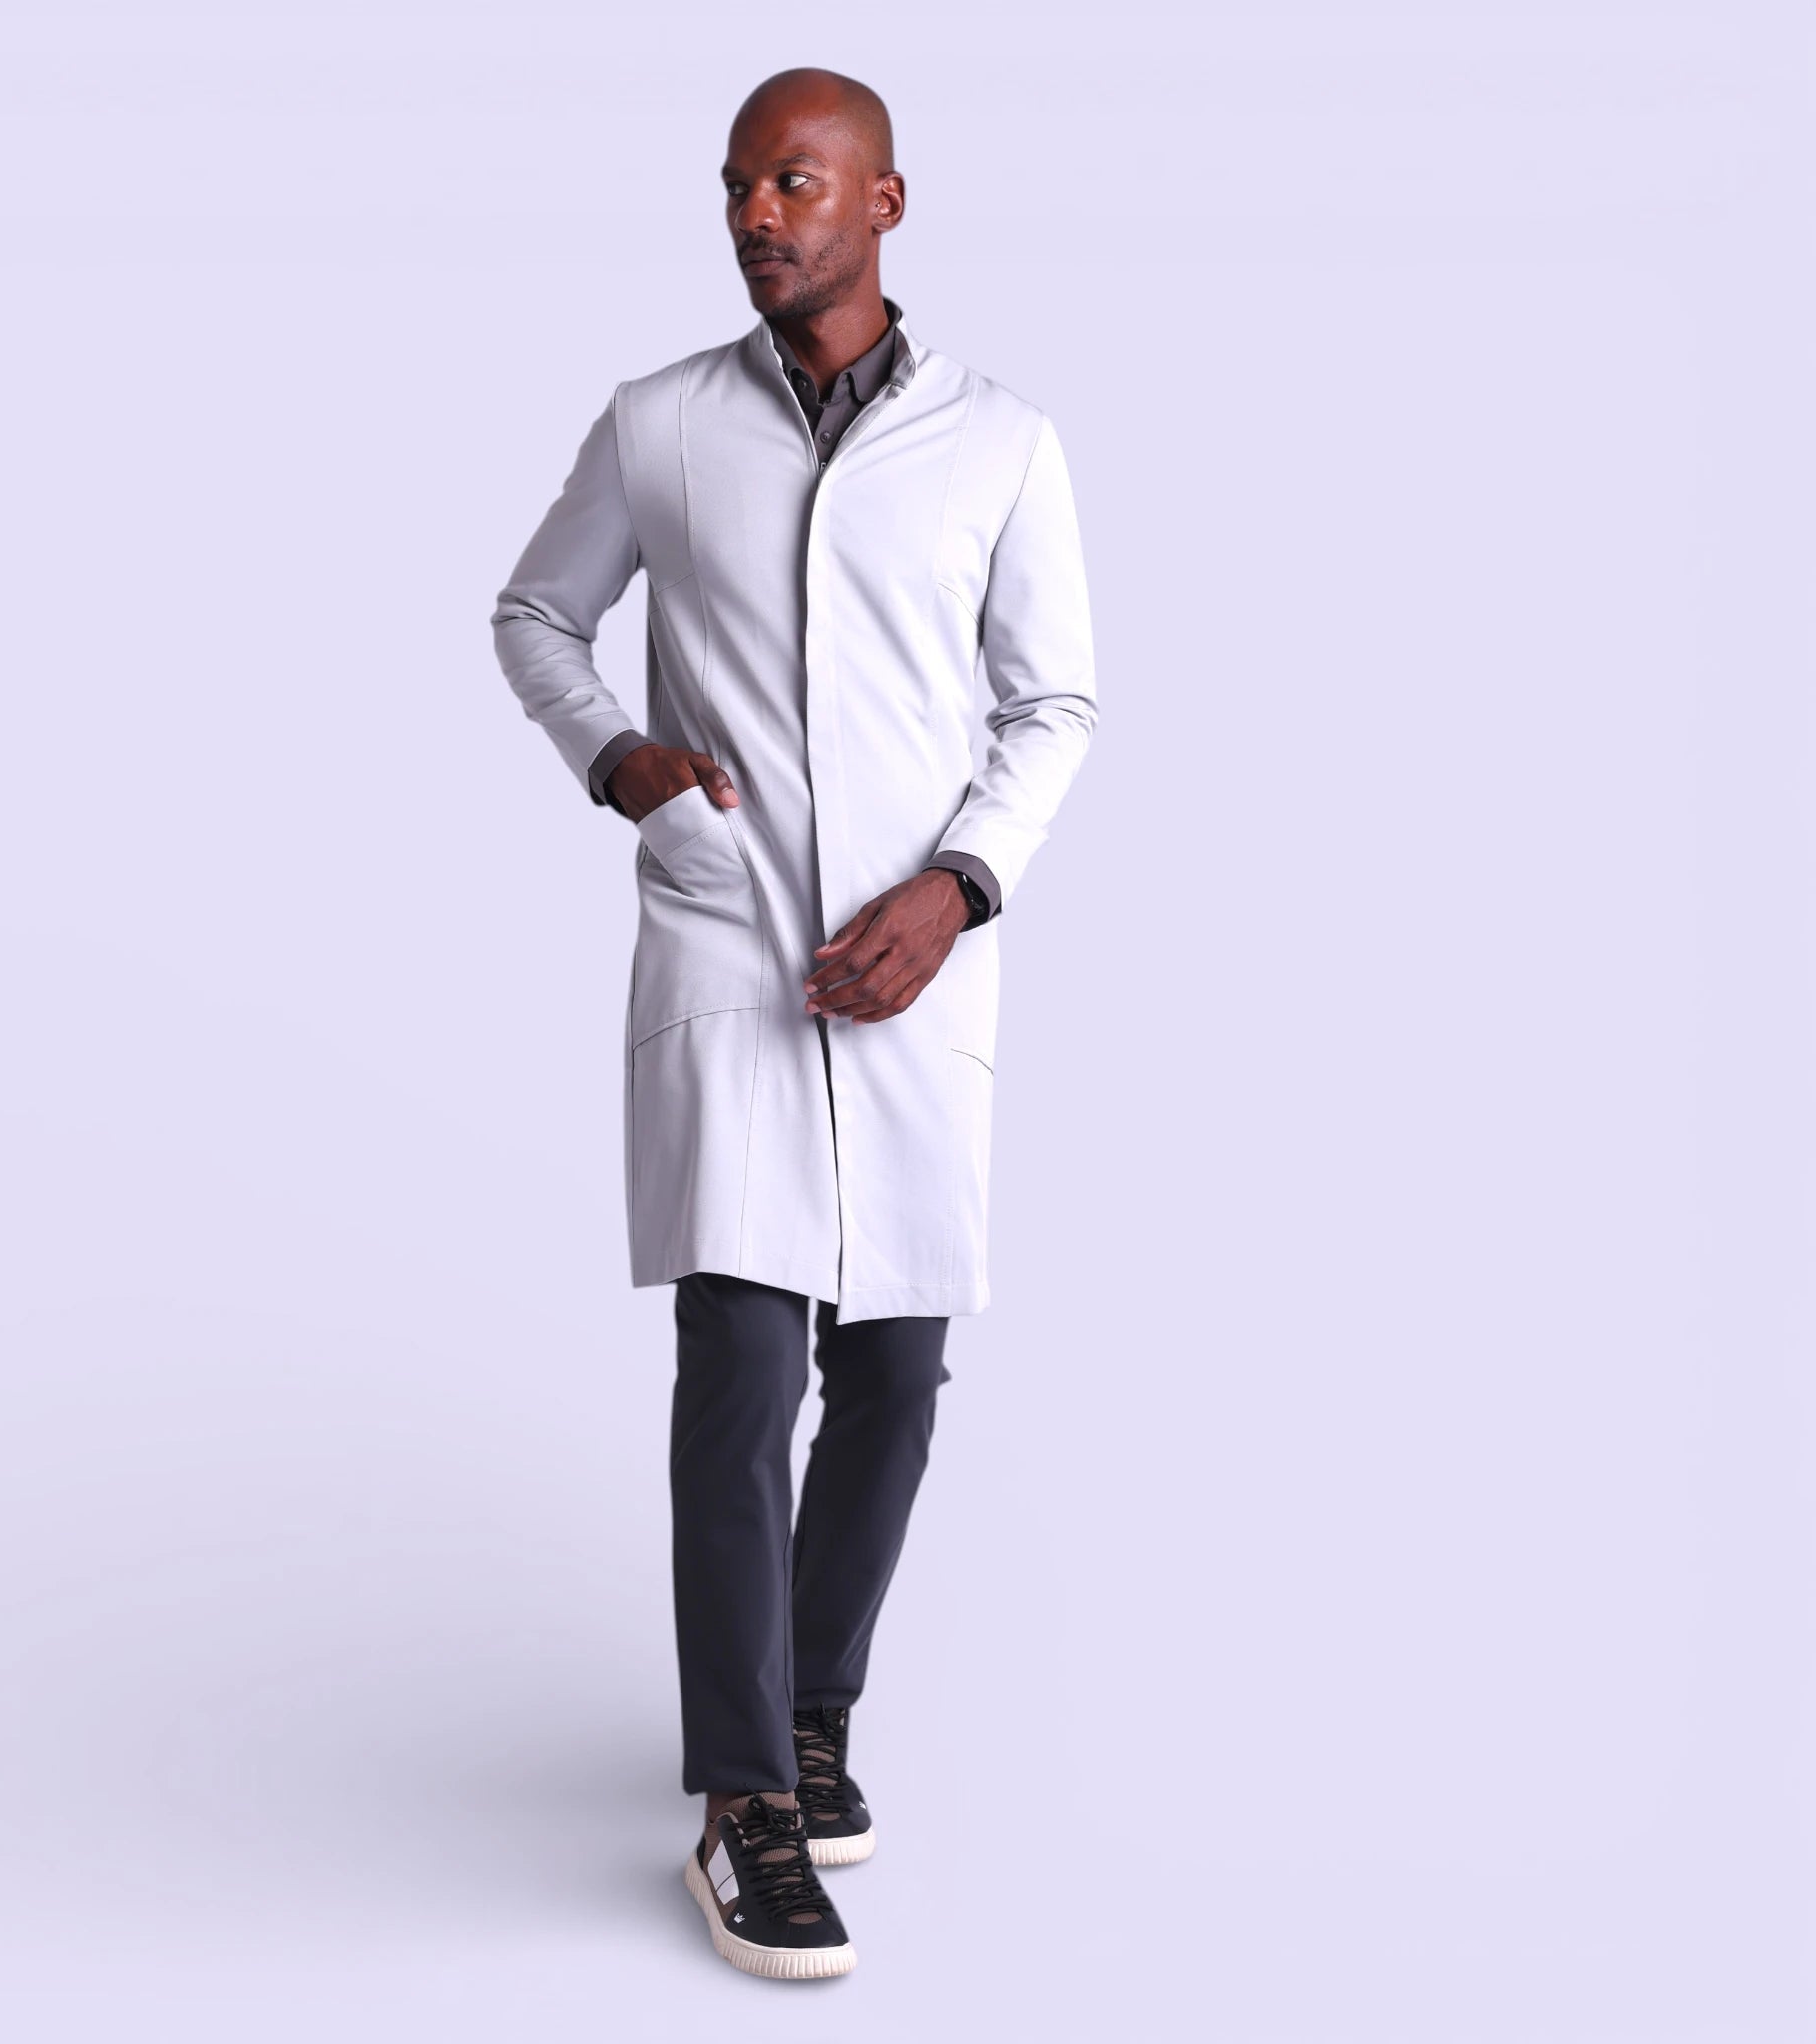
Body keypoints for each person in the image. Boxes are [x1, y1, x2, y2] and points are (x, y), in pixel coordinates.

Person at [489, 66, 1098, 1980]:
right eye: (741, 184)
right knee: (744, 1370)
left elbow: (1053, 707)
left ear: (885, 202)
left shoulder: (1003, 444)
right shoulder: (660, 422)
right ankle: (744, 1798)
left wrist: (959, 887)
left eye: (798, 182)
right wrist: (623, 767)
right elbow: (534, 615)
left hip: (914, 973)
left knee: (895, 1377)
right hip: (730, 947)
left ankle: (814, 1708)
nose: (760, 212)